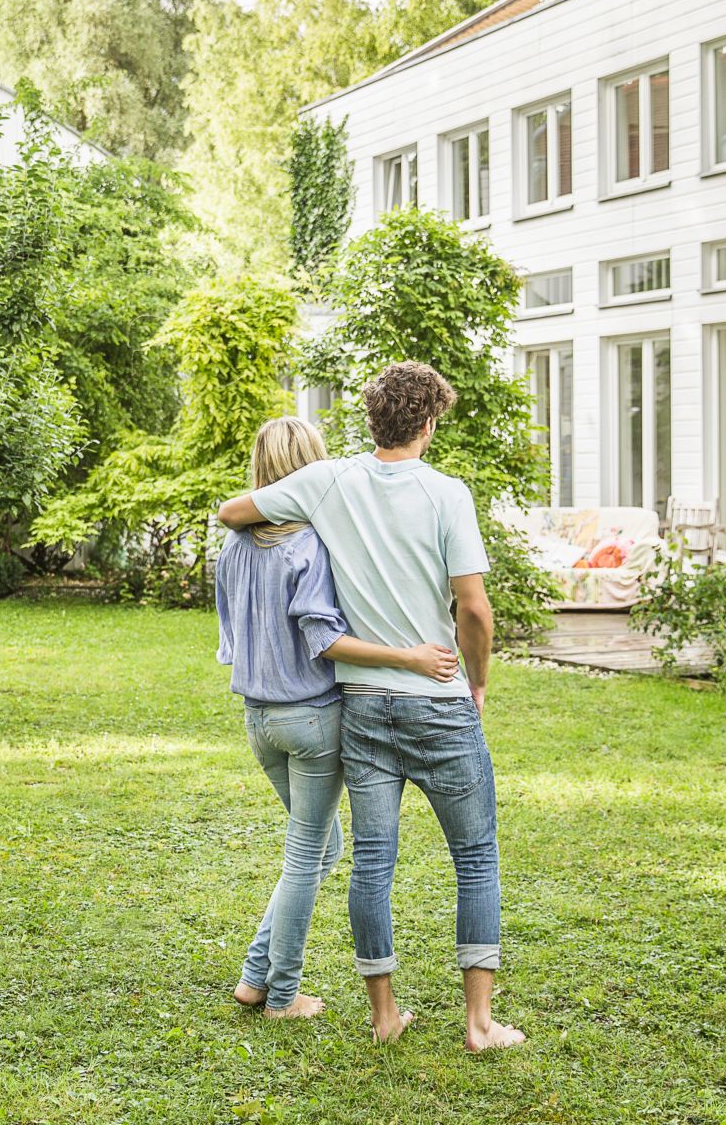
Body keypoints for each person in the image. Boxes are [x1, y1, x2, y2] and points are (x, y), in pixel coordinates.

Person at [216, 363, 525, 1051]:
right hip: (437, 699)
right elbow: (473, 608)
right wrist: (477, 681)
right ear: (427, 423)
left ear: (371, 420)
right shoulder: (448, 493)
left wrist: (272, 506)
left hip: (362, 707)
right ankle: (479, 1025)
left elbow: (235, 512)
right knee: (475, 858)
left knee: (371, 864)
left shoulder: (330, 482)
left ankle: (384, 1018)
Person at [217, 416, 462, 1022]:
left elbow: (231, 637)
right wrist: (408, 654)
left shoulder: (231, 547)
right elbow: (322, 639)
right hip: (313, 720)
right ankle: (281, 995)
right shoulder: (310, 546)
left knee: (321, 848)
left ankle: (254, 976)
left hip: (258, 720)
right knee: (308, 854)